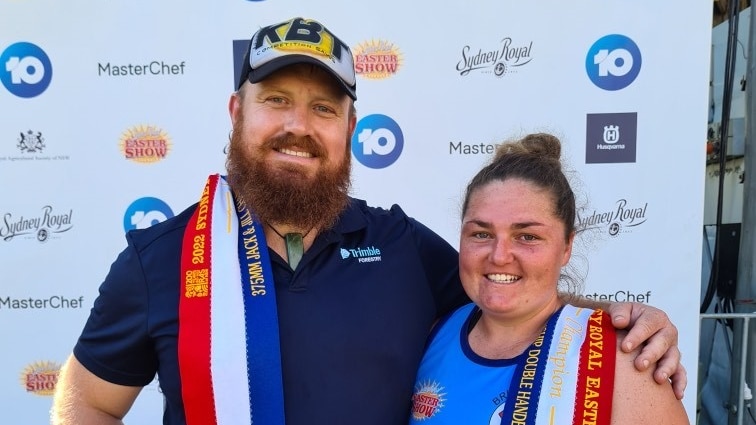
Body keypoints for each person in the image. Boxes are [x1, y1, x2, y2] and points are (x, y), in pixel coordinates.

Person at [51, 17, 685, 425]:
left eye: (324, 108)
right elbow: (86, 403)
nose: (298, 126)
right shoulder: (162, 258)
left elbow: (507, 290)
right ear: (235, 111)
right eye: (276, 101)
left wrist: (621, 320)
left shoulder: (400, 245)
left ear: (350, 129)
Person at [408, 133, 689, 424]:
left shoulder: (619, 360)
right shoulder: (430, 337)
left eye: (527, 236)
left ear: (567, 246)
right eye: (481, 234)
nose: (499, 255)